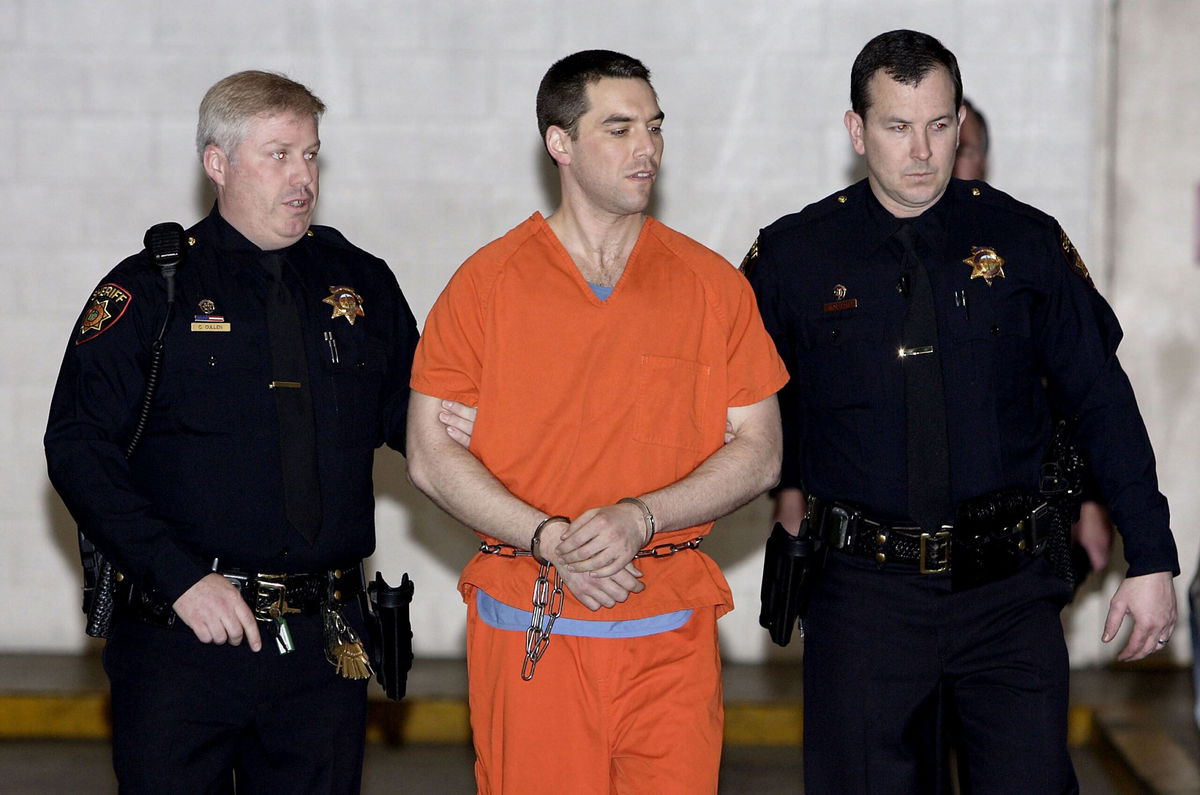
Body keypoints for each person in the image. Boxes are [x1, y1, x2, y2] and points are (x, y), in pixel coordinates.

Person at [744, 30, 1179, 793]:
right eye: (897, 126)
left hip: (1006, 593)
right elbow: (719, 400)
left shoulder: (1025, 241)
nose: (922, 151)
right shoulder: (794, 256)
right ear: (856, 130)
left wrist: (1152, 554)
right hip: (863, 597)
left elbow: (1102, 400)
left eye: (940, 126)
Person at [406, 50, 788, 794]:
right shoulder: (486, 285)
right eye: (619, 129)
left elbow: (762, 450)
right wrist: (550, 538)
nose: (646, 148)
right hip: (533, 626)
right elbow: (427, 455)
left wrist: (642, 517)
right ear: (560, 144)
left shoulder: (712, 286)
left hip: (669, 639)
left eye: (654, 127)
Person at [45, 70, 420, 792]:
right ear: (217, 163)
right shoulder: (152, 288)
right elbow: (78, 447)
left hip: (324, 647)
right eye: (278, 154)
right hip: (183, 640)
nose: (302, 176)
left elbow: (421, 424)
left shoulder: (360, 283)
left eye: (311, 154)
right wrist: (179, 576)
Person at [955, 97, 1117, 587]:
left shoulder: (1025, 250)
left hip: (1019, 515)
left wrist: (1090, 503)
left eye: (965, 147)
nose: (946, 157)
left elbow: (1082, 390)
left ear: (985, 160)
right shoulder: (876, 254)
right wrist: (792, 494)